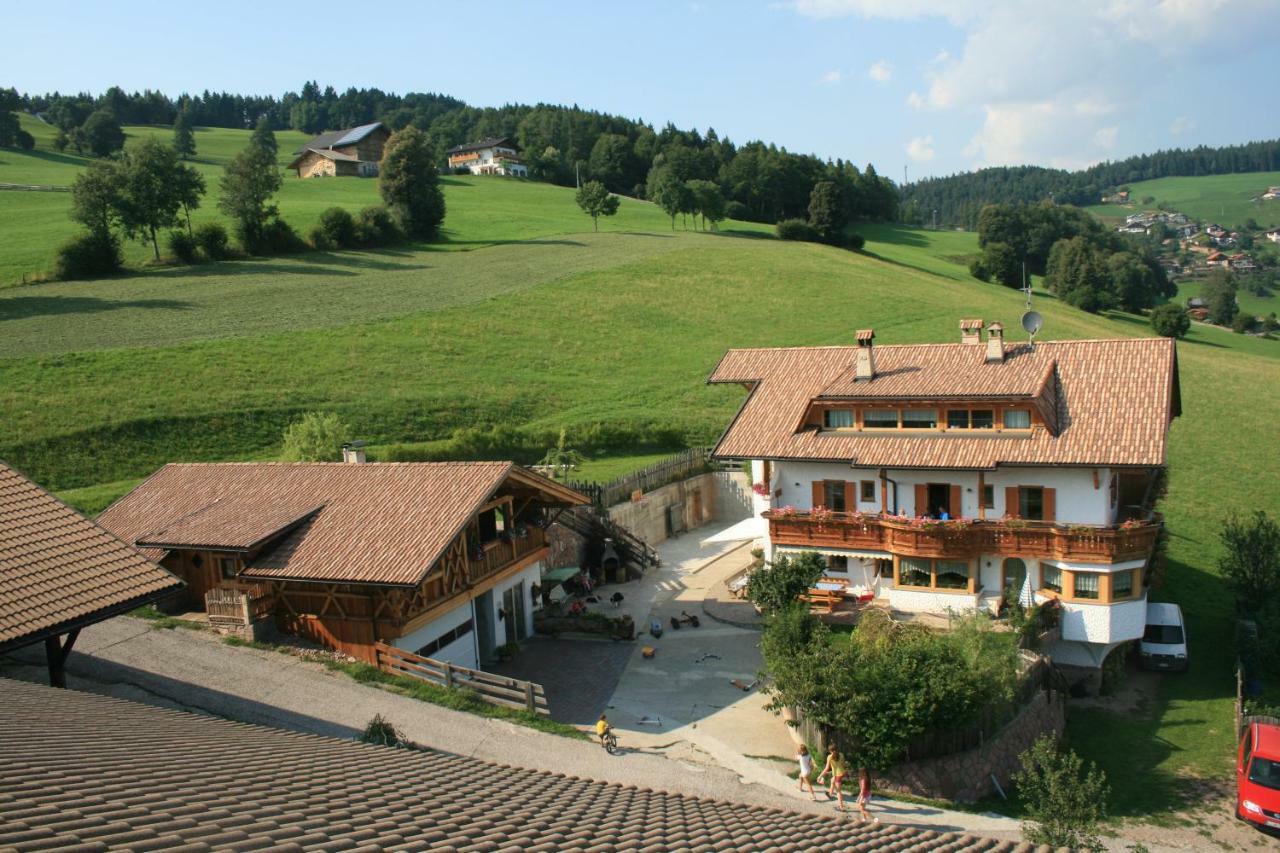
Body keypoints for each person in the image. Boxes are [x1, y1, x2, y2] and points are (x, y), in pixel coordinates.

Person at [815, 744, 849, 810]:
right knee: (832, 780)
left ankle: (841, 807)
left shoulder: (829, 757)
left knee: (838, 792)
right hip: (843, 773)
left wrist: (820, 776)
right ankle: (830, 794)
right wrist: (847, 764)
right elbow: (843, 765)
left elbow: (826, 768)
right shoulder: (841, 755)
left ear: (830, 751)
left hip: (837, 776)